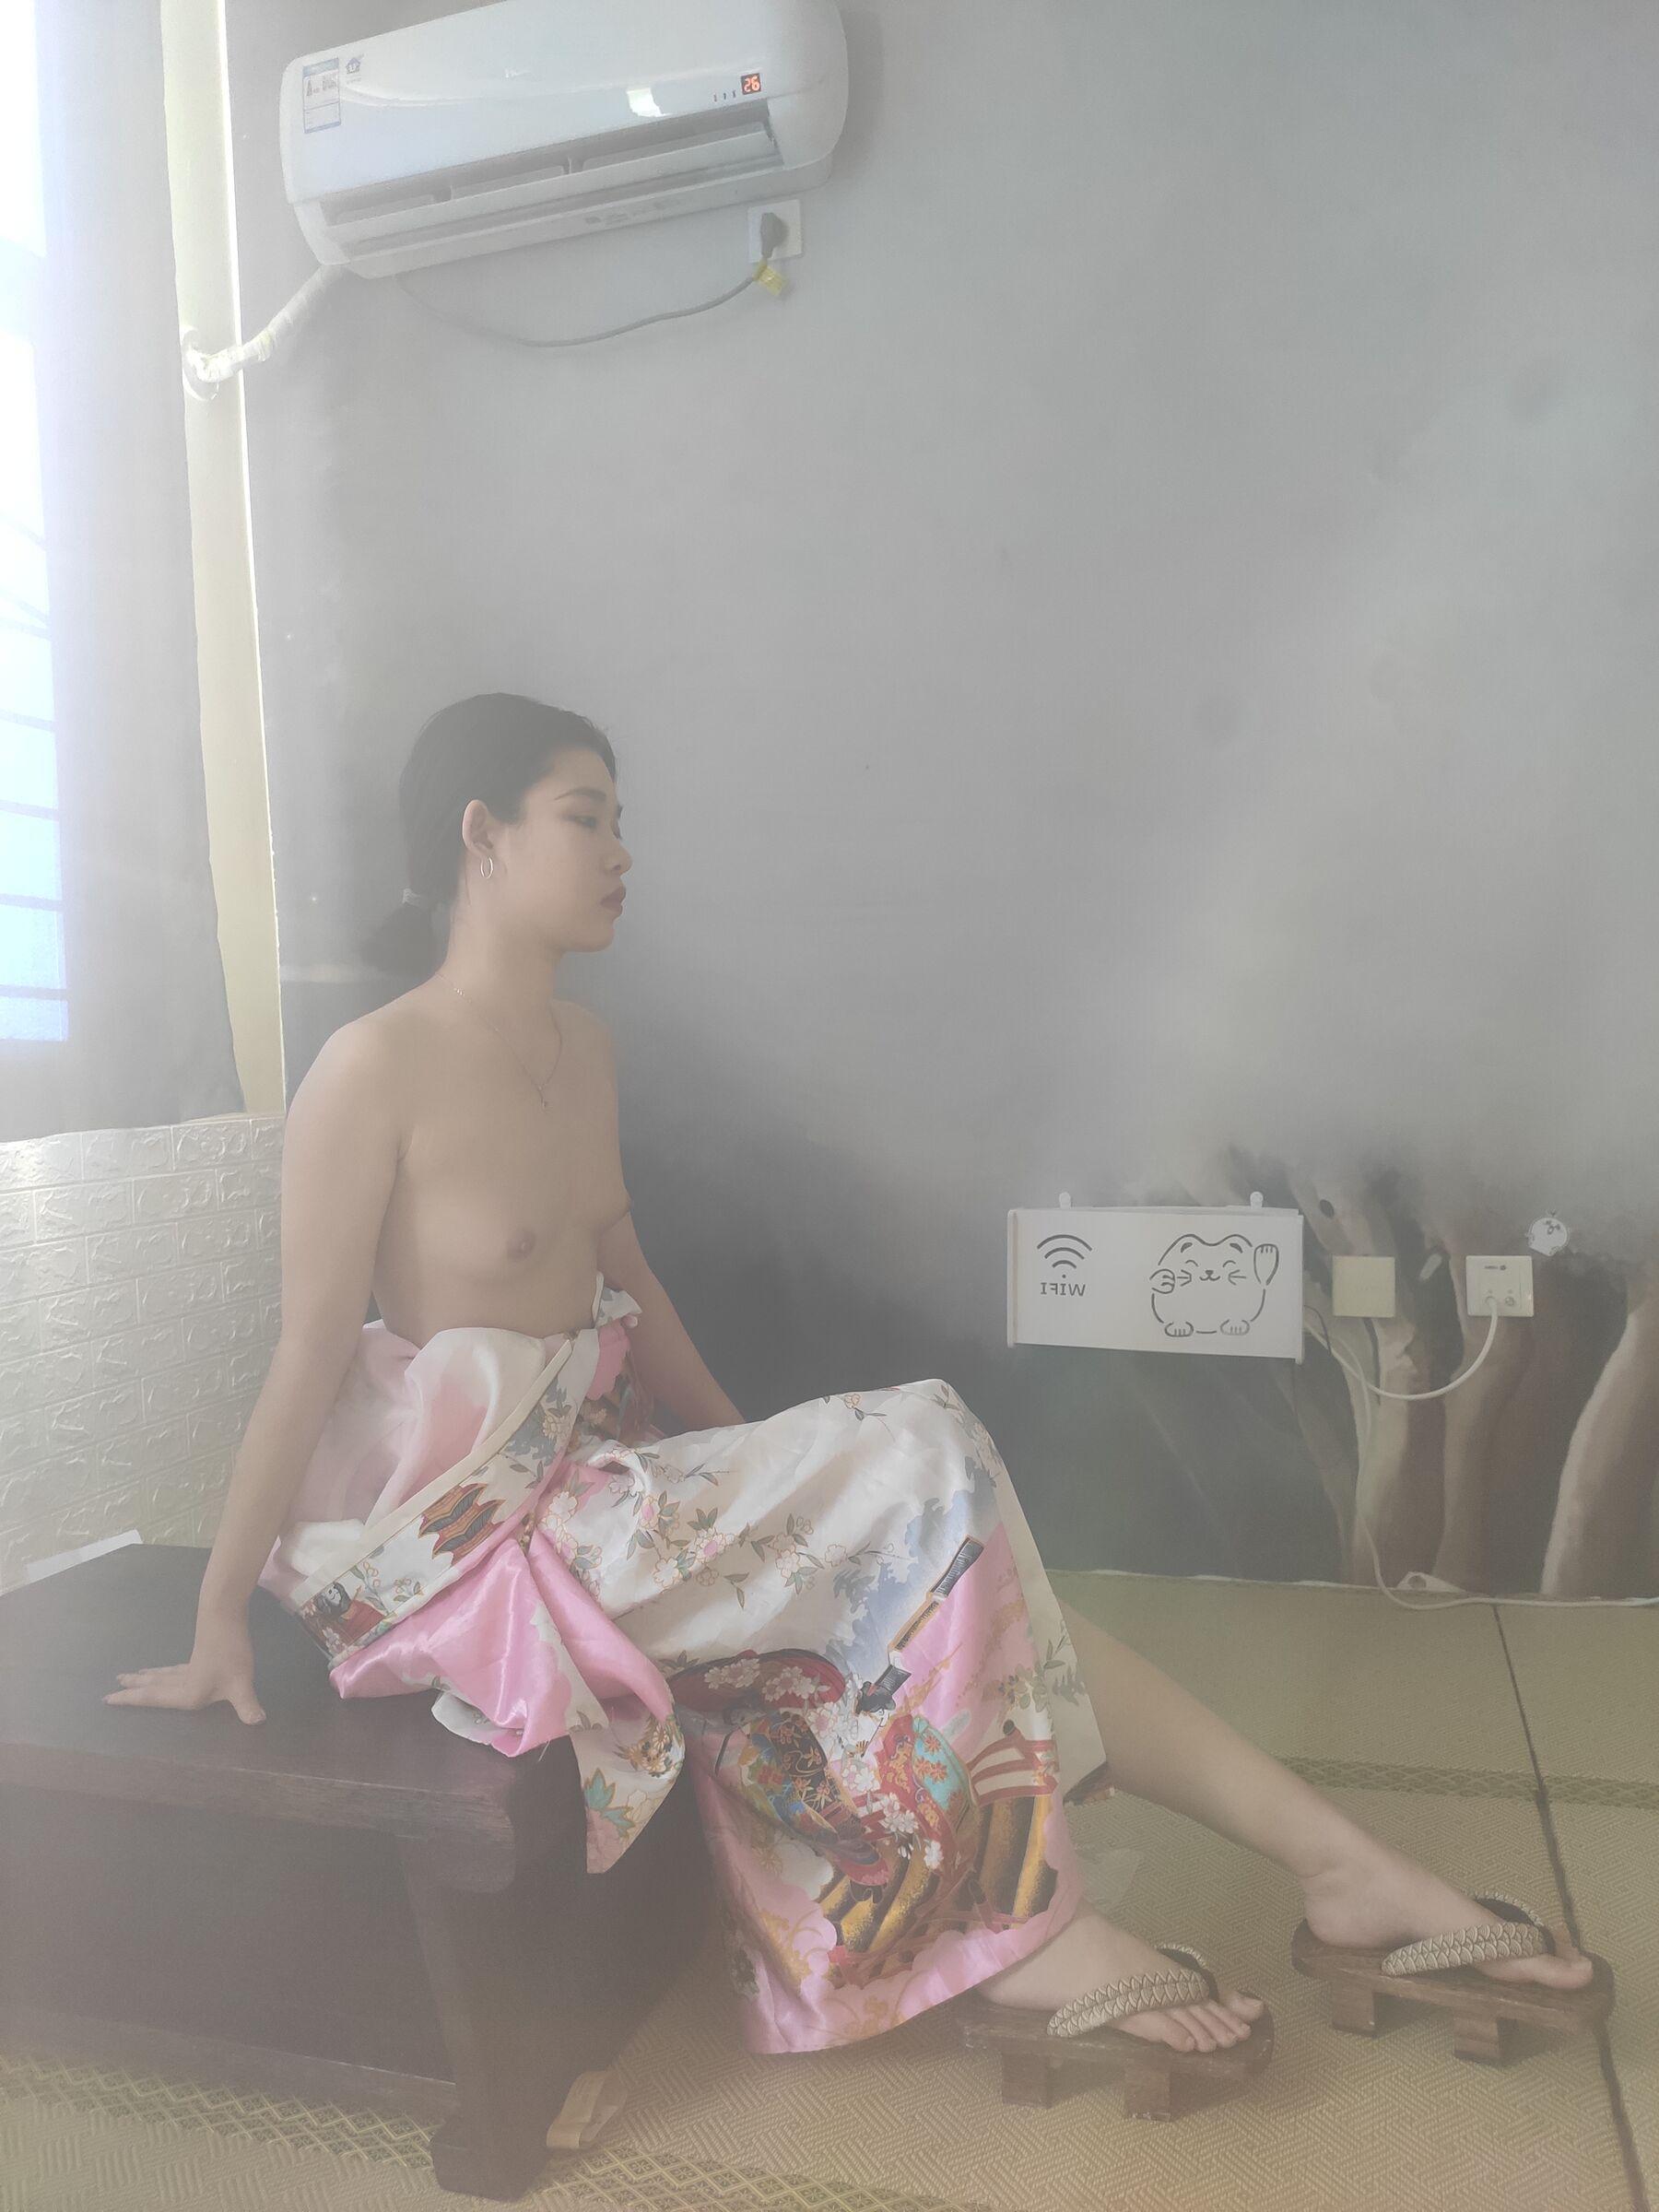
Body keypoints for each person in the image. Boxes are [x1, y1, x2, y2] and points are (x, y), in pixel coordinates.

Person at [102, 693, 1601, 2070]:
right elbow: (305, 1355)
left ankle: (1334, 1864)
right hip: (490, 1553)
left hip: (617, 1495)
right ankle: (1041, 1928)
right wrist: (220, 1618)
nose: (623, 853)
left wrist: (766, 1462)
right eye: (587, 816)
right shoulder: (372, 1068)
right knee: (922, 1449)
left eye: (622, 820)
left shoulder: (582, 1048)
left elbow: (630, 1283)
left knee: (963, 1552)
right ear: (480, 836)